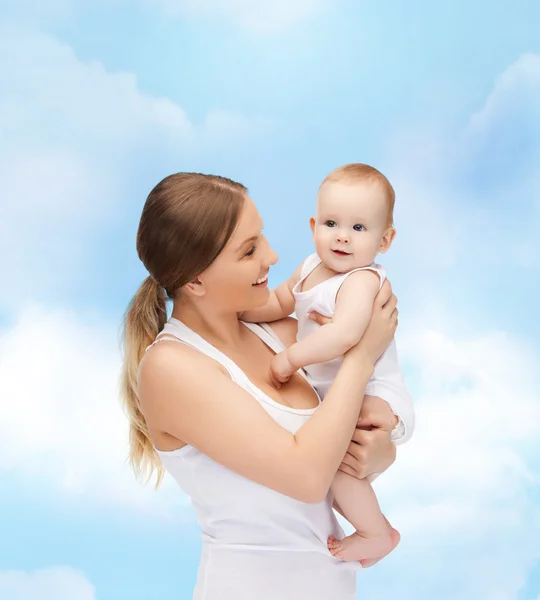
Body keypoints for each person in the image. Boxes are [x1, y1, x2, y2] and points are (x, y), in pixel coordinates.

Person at [120, 172, 411, 600]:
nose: (272, 256)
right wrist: (361, 355)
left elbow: (337, 439)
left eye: (263, 238)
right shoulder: (171, 366)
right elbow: (307, 476)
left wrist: (379, 451)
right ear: (195, 280)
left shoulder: (281, 331)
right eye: (250, 249)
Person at [240, 163, 413, 563]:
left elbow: (345, 336)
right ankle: (370, 525)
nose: (342, 236)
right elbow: (281, 302)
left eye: (359, 228)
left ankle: (376, 532)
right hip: (340, 391)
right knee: (330, 462)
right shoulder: (308, 269)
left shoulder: (361, 280)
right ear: (314, 224)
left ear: (385, 239)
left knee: (334, 461)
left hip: (375, 393)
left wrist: (291, 358)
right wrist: (243, 310)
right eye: (332, 223)